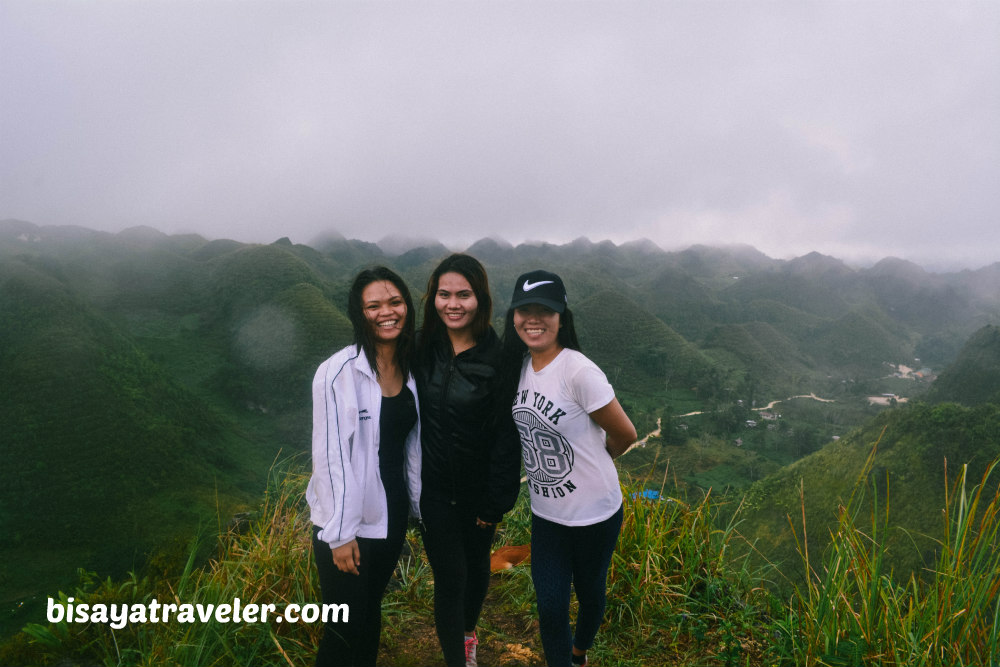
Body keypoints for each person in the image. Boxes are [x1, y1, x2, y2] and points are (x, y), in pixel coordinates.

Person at [502, 269, 637, 667]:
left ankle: (579, 655)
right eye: (524, 309)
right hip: (547, 516)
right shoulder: (520, 367)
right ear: (513, 317)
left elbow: (626, 434)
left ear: (562, 316)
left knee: (592, 593)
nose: (534, 318)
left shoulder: (579, 371)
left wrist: (595, 463)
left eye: (545, 309)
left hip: (596, 514)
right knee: (550, 606)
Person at [306, 267, 421, 667]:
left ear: (406, 306)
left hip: (390, 515)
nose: (386, 312)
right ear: (359, 313)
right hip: (347, 522)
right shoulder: (338, 372)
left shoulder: (411, 368)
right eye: (374, 305)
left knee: (370, 614)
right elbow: (329, 456)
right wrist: (339, 534)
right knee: (343, 630)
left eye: (394, 302)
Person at [415, 253, 522, 667]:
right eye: (444, 294)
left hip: (479, 494)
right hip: (436, 489)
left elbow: (504, 435)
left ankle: (468, 635)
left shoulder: (498, 359)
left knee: (477, 570)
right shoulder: (424, 346)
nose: (453, 304)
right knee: (450, 578)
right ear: (433, 298)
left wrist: (495, 503)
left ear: (480, 299)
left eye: (464, 294)